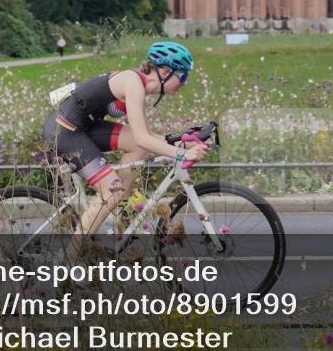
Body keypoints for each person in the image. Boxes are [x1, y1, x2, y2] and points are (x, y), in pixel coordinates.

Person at [42, 41, 209, 237]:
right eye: (183, 75)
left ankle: (121, 209)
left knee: (139, 148)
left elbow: (145, 137)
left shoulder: (138, 84)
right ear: (165, 71)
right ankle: (71, 259)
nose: (184, 83)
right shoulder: (133, 83)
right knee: (112, 190)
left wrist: (185, 142)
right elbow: (143, 137)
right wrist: (182, 154)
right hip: (64, 131)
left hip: (82, 126)